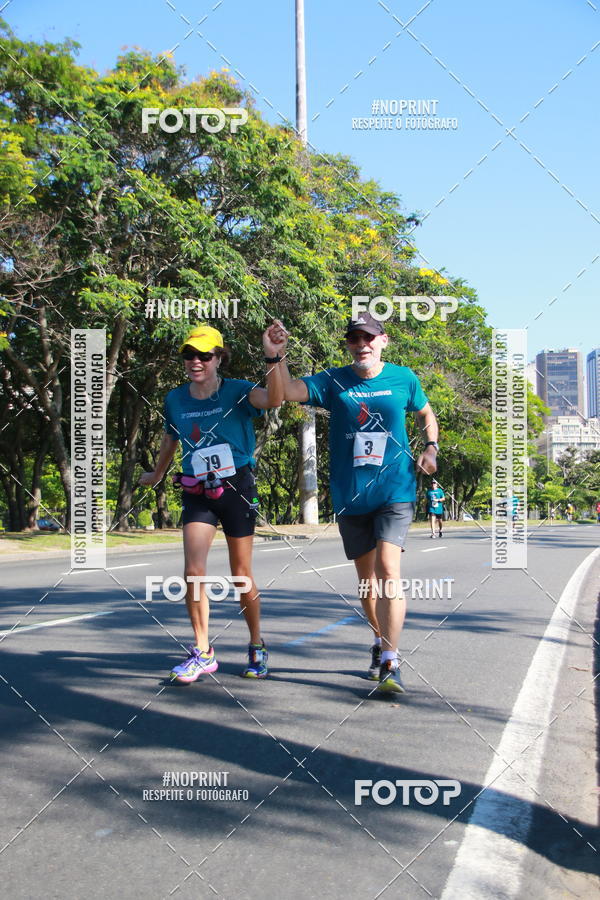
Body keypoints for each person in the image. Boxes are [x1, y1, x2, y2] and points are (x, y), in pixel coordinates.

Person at [278, 312, 438, 694]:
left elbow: (426, 413)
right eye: (354, 339)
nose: (361, 344)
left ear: (384, 341)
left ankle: (391, 659)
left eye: (369, 338)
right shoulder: (334, 380)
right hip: (351, 494)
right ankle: (380, 640)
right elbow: (286, 392)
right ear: (348, 344)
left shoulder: (404, 378)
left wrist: (430, 447)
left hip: (394, 491)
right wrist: (276, 356)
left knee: (388, 569)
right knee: (367, 582)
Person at [139, 321, 286, 682]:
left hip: (236, 485)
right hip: (197, 489)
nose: (195, 361)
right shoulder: (175, 399)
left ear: (219, 358)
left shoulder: (238, 391)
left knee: (241, 574)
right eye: (189, 355)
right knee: (193, 571)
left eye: (204, 355)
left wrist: (273, 356)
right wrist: (157, 473)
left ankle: (256, 644)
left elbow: (275, 399)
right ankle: (203, 651)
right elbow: (170, 439)